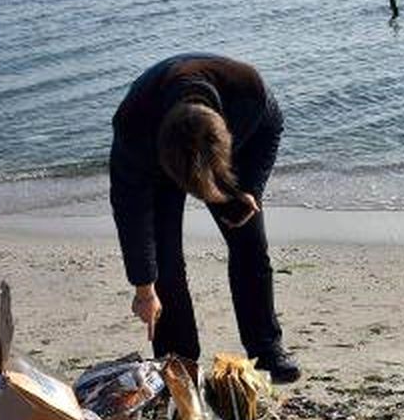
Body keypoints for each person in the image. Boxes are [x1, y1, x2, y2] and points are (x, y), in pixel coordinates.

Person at [109, 53, 300, 383]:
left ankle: (266, 349)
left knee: (250, 244)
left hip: (220, 161)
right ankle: (178, 361)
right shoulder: (133, 128)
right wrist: (144, 288)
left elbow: (272, 128)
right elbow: (131, 212)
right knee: (165, 266)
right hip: (157, 163)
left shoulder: (246, 89)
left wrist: (251, 187)